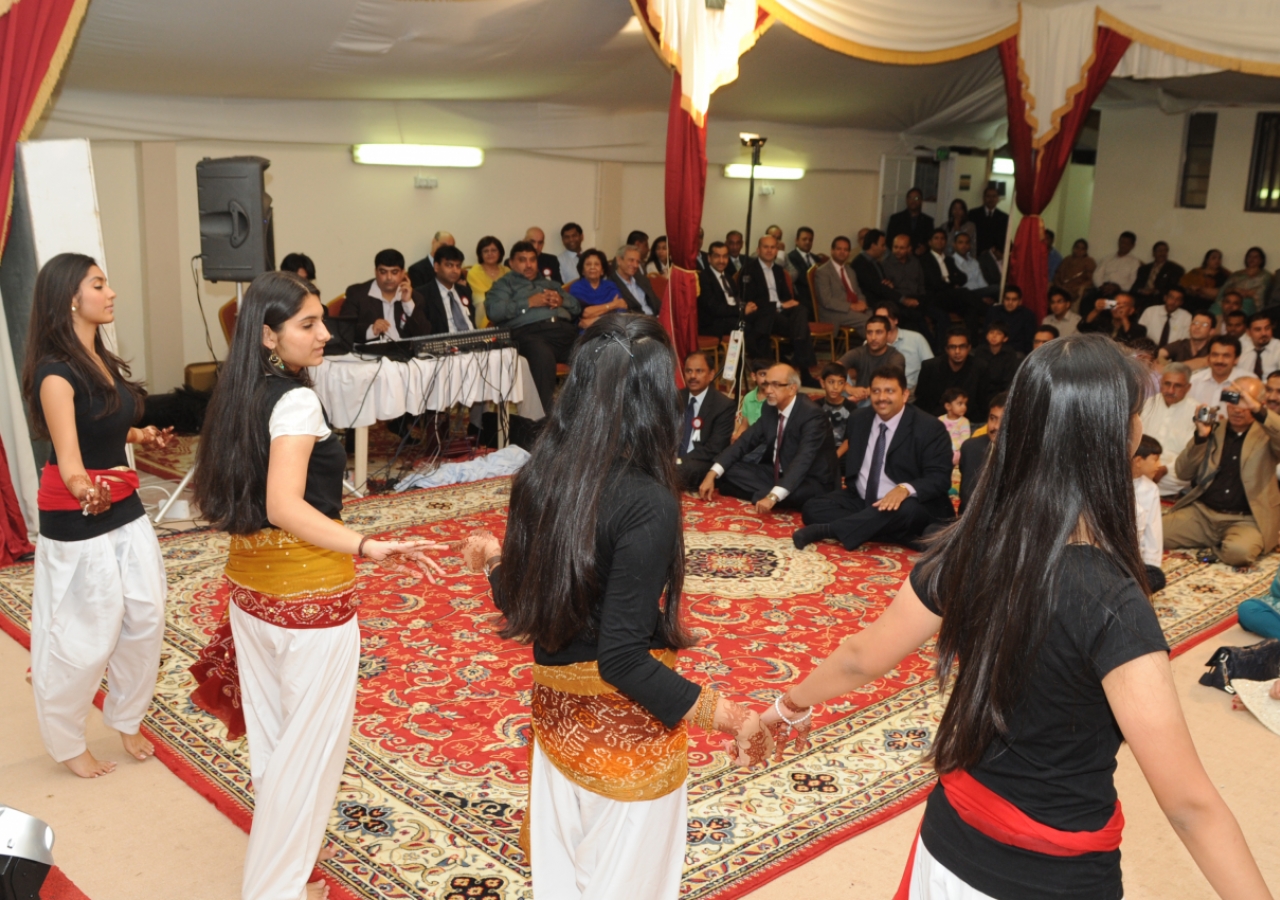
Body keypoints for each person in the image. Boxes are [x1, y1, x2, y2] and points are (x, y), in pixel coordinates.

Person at [759, 334, 1273, 900]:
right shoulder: (1113, 601)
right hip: (1046, 880)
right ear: (1115, 436)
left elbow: (861, 656)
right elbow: (1190, 808)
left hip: (945, 853)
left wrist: (787, 706)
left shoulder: (971, 544)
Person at [461, 315, 769, 900]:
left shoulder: (539, 477)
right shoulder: (647, 502)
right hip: (624, 743)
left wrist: (497, 559)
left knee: (563, 884)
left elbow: (527, 604)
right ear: (655, 400)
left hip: (555, 727)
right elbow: (621, 659)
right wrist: (728, 716)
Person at [190, 272, 443, 900]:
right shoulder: (296, 401)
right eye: (307, 324)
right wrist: (367, 546)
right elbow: (284, 504)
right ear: (271, 336)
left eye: (319, 320)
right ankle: (273, 888)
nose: (325, 332)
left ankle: (286, 877)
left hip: (252, 596)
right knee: (308, 756)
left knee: (279, 750)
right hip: (309, 605)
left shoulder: (236, 394)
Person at [22, 253, 171, 779]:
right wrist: (89, 492)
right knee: (84, 639)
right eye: (99, 285)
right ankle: (66, 742)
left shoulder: (101, 357)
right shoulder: (54, 374)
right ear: (70, 298)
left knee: (146, 618)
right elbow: (69, 462)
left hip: (123, 506)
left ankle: (126, 717)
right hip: (79, 514)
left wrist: (140, 434)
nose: (110, 294)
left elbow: (104, 423)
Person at [793, 365, 953, 550]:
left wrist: (905, 489)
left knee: (907, 510)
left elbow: (939, 479)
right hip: (863, 501)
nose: (882, 397)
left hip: (907, 504)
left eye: (890, 391)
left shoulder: (929, 427)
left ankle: (828, 530)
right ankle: (898, 536)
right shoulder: (859, 418)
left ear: (905, 394)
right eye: (876, 391)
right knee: (813, 507)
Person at [1164, 375, 1280, 566]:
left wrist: (1258, 410)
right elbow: (1182, 472)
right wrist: (1201, 437)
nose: (1238, 408)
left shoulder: (1268, 433)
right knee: (1154, 533)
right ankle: (1215, 540)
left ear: (1259, 403)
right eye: (1233, 400)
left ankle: (1222, 544)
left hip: (1246, 519)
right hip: (1203, 513)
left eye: (1244, 401)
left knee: (1239, 554)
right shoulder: (1215, 429)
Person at [699, 364, 838, 514]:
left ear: (792, 388)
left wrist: (773, 496)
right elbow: (745, 441)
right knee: (729, 469)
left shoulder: (812, 415)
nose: (768, 390)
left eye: (776, 385)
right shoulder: (770, 407)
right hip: (777, 472)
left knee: (792, 496)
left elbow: (803, 460)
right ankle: (772, 494)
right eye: (767, 384)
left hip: (810, 479)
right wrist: (711, 473)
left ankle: (770, 495)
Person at [485, 241, 582, 412]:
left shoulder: (550, 284)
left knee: (594, 351)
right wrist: (528, 302)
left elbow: (576, 307)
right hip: (530, 334)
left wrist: (561, 300)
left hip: (563, 332)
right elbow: (494, 311)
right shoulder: (504, 284)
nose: (529, 265)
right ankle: (541, 426)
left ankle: (586, 417)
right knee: (542, 356)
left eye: (532, 260)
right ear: (511, 263)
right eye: (522, 260)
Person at [738, 235, 820, 387]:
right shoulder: (748, 270)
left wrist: (786, 304)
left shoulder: (778, 270)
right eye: (765, 247)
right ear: (758, 250)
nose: (769, 250)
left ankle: (797, 349)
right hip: (764, 315)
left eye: (772, 247)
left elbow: (787, 298)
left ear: (777, 250)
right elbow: (751, 301)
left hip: (780, 313)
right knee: (800, 328)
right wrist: (780, 305)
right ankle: (804, 371)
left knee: (800, 310)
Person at [672, 350, 735, 493]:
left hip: (700, 461)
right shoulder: (675, 398)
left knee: (686, 470)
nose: (692, 376)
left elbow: (714, 448)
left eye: (699, 371)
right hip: (672, 459)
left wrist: (679, 461)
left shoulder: (723, 405)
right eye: (688, 371)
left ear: (711, 375)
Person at [1140, 362, 1197, 497]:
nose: (1170, 390)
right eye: (1167, 384)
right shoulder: (1149, 403)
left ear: (1188, 387)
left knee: (1182, 474)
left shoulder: (1195, 411)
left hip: (1172, 475)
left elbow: (1191, 456)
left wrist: (1165, 469)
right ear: (1160, 383)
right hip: (1142, 468)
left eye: (1177, 386)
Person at [347, 249, 431, 342]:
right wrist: (371, 330)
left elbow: (424, 334)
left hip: (405, 354)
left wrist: (407, 303)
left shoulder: (415, 297)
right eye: (383, 272)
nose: (389, 277)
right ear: (375, 271)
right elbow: (345, 330)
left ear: (403, 273)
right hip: (370, 353)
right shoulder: (357, 294)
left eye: (394, 272)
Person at [881, 233, 945, 352]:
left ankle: (941, 348)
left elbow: (921, 284)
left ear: (909, 249)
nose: (898, 251)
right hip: (900, 301)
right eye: (895, 247)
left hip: (919, 298)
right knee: (917, 318)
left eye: (902, 247)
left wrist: (921, 298)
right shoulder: (886, 264)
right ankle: (933, 350)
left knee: (942, 316)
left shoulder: (915, 262)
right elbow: (887, 290)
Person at [914, 326, 989, 418]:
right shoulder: (930, 367)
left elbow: (983, 402)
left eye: (962, 346)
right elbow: (922, 399)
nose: (957, 351)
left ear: (969, 348)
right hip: (935, 419)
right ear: (946, 349)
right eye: (953, 347)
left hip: (970, 419)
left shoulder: (980, 367)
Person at [839, 316, 906, 405]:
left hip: (883, 400)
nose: (873, 337)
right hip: (857, 397)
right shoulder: (859, 352)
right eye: (869, 332)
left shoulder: (896, 357)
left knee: (875, 395)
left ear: (888, 334)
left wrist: (865, 393)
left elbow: (889, 383)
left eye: (879, 332)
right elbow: (833, 369)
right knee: (837, 374)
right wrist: (850, 389)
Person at [957, 392, 1005, 514]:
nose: (995, 426)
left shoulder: (1031, 455)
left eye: (1004, 420)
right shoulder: (971, 448)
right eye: (992, 418)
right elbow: (966, 499)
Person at [1132, 435, 1168, 592]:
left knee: (1156, 578)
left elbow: (1153, 533)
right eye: (1155, 460)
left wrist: (1151, 566)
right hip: (1108, 560)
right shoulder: (1109, 485)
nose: (1159, 465)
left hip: (1134, 563)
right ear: (1139, 461)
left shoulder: (1151, 489)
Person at [813, 235, 870, 331]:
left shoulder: (850, 271)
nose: (842, 252)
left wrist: (862, 302)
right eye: (839, 249)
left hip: (853, 309)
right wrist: (851, 306)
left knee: (880, 317)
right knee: (869, 321)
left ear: (849, 253)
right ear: (832, 250)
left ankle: (875, 344)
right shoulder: (822, 272)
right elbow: (826, 301)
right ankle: (876, 345)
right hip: (833, 312)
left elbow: (858, 291)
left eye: (846, 250)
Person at [874, 301, 933, 391]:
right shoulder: (871, 342)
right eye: (878, 318)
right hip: (882, 392)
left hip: (912, 391)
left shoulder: (916, 338)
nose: (881, 322)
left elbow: (932, 368)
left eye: (885, 318)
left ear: (896, 320)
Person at [419, 244, 476, 334]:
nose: (455, 270)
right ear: (436, 267)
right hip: (444, 345)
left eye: (458, 266)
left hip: (474, 343)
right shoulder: (422, 294)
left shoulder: (464, 291)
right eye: (449, 265)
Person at [1188, 336, 1249, 414]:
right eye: (1215, 355)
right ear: (1208, 357)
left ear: (1236, 359)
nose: (1219, 360)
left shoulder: (1249, 382)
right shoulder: (1193, 381)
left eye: (1226, 356)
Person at [567, 248, 626, 328]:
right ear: (582, 271)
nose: (592, 267)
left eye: (597, 264)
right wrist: (613, 305)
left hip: (612, 327)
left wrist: (595, 320)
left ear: (602, 271)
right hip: (587, 331)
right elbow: (585, 313)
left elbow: (622, 308)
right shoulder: (576, 287)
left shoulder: (610, 286)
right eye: (588, 264)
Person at [697, 241, 744, 339]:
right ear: (709, 258)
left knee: (761, 318)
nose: (721, 261)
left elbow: (736, 299)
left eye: (725, 256)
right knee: (748, 326)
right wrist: (740, 310)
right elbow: (714, 308)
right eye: (717, 256)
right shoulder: (703, 278)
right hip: (713, 322)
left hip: (731, 317)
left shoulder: (728, 277)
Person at [465, 236, 509, 328]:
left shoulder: (507, 271)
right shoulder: (474, 272)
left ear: (500, 252)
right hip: (485, 311)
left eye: (494, 250)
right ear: (480, 254)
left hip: (508, 311)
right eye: (486, 251)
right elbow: (482, 297)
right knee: (482, 303)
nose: (490, 254)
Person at [610, 244, 663, 317]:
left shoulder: (642, 279)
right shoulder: (610, 284)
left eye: (638, 262)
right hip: (636, 323)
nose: (635, 265)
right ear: (619, 260)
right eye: (631, 260)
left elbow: (656, 303)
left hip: (655, 320)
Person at [984, 285, 1037, 355]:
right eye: (1007, 299)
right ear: (1003, 299)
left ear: (1020, 301)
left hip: (1016, 352)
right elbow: (986, 333)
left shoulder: (1027, 315)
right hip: (993, 349)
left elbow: (1028, 341)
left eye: (1014, 300)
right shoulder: (993, 311)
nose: (1010, 302)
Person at [972, 322, 1022, 396]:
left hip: (1000, 391)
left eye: (999, 333)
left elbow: (1009, 378)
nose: (994, 336)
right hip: (981, 391)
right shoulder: (980, 351)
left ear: (1005, 338)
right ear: (986, 336)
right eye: (991, 332)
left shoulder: (1009, 353)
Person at [1133, 241, 1186, 310]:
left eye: (1165, 251)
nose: (1162, 253)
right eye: (1159, 250)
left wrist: (1155, 291)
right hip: (1141, 297)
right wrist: (1140, 290)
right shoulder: (1144, 269)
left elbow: (1172, 287)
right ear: (1153, 253)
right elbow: (1135, 286)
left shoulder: (1175, 269)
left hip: (1159, 297)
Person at [1080, 291, 1147, 343]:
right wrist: (1096, 310)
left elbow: (1133, 340)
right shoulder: (1102, 322)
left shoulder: (1139, 329)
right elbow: (1083, 327)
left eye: (1124, 305)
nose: (1118, 307)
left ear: (1131, 311)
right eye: (1116, 304)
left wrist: (1124, 318)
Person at [818, 361, 853, 458]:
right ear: (822, 383)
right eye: (831, 382)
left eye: (840, 383)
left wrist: (835, 457)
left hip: (843, 457)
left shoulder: (851, 408)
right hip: (820, 454)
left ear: (845, 385)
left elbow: (849, 438)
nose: (835, 387)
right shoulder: (815, 406)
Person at [887, 187, 934, 254]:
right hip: (899, 256)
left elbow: (931, 241)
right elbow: (889, 240)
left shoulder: (928, 221)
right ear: (906, 200)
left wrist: (924, 247)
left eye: (916, 198)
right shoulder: (896, 219)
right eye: (910, 198)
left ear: (921, 201)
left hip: (920, 258)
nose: (913, 201)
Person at [1052, 238, 1096, 308]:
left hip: (1076, 290)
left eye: (1082, 249)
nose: (1079, 250)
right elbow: (1057, 274)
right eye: (1077, 247)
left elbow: (1091, 280)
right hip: (1062, 287)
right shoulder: (1067, 259)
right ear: (1073, 248)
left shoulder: (1089, 261)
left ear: (1085, 251)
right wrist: (1059, 286)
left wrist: (1077, 287)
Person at [967, 185, 1008, 255]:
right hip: (976, 253)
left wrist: (999, 251)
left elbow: (1004, 237)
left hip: (995, 255)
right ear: (984, 198)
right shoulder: (973, 214)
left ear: (998, 199)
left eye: (994, 196)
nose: (991, 199)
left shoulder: (1004, 217)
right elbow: (969, 234)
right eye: (988, 196)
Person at [787, 226, 822, 307]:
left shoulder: (816, 258)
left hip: (819, 295)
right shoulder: (791, 257)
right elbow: (801, 278)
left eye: (810, 240)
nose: (807, 242)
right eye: (804, 239)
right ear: (796, 241)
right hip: (802, 297)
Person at [1240, 312, 1280, 379]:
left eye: (1267, 328)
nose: (1264, 333)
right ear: (1248, 332)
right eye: (1258, 329)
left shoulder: (1278, 347)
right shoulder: (1240, 347)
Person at [939, 387, 970, 471]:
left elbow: (964, 440)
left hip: (956, 452)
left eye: (965, 404)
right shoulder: (940, 420)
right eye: (960, 403)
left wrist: (948, 446)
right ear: (948, 406)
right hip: (941, 450)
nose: (964, 407)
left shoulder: (964, 422)